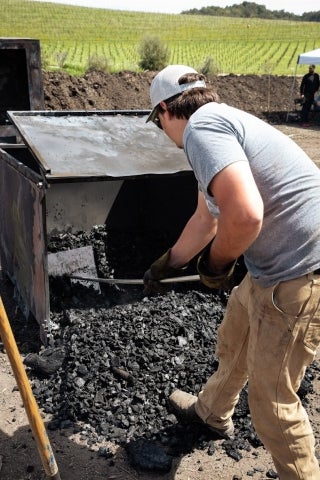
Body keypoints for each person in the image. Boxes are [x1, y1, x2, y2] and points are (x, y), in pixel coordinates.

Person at [143, 64, 320, 480]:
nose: (162, 132)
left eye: (156, 122)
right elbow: (208, 218)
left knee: (272, 402)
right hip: (275, 264)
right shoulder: (222, 122)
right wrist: (169, 263)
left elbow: (243, 215)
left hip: (301, 270)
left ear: (166, 110)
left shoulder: (201, 131)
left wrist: (217, 264)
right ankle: (211, 413)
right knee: (237, 331)